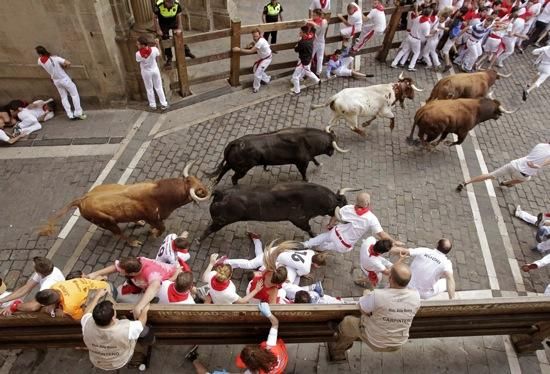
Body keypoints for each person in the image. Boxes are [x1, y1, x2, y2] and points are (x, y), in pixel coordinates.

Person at [327, 261, 421, 360]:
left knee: (348, 322)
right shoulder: (416, 297)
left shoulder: (378, 295)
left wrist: (367, 295)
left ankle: (339, 340)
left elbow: (362, 309)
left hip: (376, 341)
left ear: (390, 278)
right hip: (398, 343)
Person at [186, 303, 287, 374]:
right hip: (280, 365)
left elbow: (275, 324)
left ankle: (193, 359)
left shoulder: (270, 346)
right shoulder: (272, 348)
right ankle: (193, 359)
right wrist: (268, 314)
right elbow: (275, 323)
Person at [303, 192, 402, 253]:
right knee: (327, 246)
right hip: (344, 245)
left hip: (335, 233)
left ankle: (306, 244)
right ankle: (320, 249)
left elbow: (335, 216)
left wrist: (330, 225)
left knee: (324, 236)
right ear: (367, 204)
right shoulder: (371, 218)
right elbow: (382, 234)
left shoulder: (348, 208)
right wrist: (394, 242)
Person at [86, 256, 178, 318]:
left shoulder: (151, 273)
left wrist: (139, 306)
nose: (119, 272)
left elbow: (156, 285)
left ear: (132, 273)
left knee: (123, 299)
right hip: (144, 286)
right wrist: (95, 273)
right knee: (120, 293)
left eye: (122, 272)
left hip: (162, 289)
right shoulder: (136, 262)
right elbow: (115, 267)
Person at [81, 289, 150, 370]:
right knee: (143, 332)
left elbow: (86, 313)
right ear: (113, 317)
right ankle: (139, 355)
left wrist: (97, 296)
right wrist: (145, 310)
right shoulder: (126, 328)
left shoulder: (86, 323)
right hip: (120, 361)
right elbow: (141, 324)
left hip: (97, 361)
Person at [456, 142, 550, 191]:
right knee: (526, 179)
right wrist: (536, 166)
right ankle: (505, 183)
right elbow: (544, 163)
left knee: (490, 175)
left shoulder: (540, 145)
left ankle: (466, 182)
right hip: (522, 174)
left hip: (513, 165)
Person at [8, 278, 111, 320]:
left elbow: (82, 318)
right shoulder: (56, 286)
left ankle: (16, 305)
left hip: (106, 294)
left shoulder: (69, 306)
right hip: (102, 284)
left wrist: (63, 315)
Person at [392, 239, 456, 299]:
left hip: (408, 285)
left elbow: (403, 251)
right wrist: (453, 301)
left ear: (437, 244)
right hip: (423, 294)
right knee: (446, 281)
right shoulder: (446, 263)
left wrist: (388, 248)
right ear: (447, 252)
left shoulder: (424, 250)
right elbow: (450, 278)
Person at [35, 46, 86, 120]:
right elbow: (68, 63)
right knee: (74, 94)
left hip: (56, 81)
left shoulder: (39, 60)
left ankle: (69, 114)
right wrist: (64, 66)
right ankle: (78, 113)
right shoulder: (55, 58)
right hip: (64, 79)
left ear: (39, 54)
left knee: (63, 97)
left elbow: (42, 62)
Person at [0, 256, 65, 315]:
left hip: (55, 304)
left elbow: (33, 306)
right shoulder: (47, 271)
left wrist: (13, 306)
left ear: (38, 271)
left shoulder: (47, 285)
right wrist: (3, 300)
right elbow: (26, 287)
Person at [153, 0, 195, 69]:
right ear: (165, 2)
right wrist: (158, 29)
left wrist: (179, 28)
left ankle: (187, 52)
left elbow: (179, 17)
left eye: (172, 2)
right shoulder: (158, 4)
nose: (172, 4)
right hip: (163, 23)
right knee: (166, 39)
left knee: (179, 35)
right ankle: (169, 58)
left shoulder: (176, 3)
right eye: (170, 3)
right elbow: (155, 17)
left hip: (173, 21)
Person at [233, 28, 272, 93]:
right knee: (255, 69)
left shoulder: (260, 41)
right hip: (262, 58)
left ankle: (256, 87)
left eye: (256, 36)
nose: (255, 38)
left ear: (259, 35)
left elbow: (251, 51)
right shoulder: (258, 39)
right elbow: (254, 42)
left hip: (266, 59)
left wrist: (239, 49)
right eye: (254, 36)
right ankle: (267, 79)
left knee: (257, 74)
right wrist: (251, 44)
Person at [135, 35, 168, 111]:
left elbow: (139, 60)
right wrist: (157, 44)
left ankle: (153, 105)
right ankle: (164, 103)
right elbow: (159, 53)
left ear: (143, 45)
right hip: (155, 70)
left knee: (149, 88)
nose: (137, 45)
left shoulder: (138, 54)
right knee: (159, 87)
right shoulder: (154, 49)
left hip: (146, 71)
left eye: (138, 44)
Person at [290, 25, 320, 96]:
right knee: (307, 71)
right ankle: (318, 80)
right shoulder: (311, 37)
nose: (299, 33)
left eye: (301, 32)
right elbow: (313, 30)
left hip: (303, 61)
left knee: (295, 76)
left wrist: (298, 41)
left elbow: (296, 49)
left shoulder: (302, 42)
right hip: (308, 59)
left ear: (304, 33)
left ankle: (297, 91)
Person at [307, 8, 329, 76]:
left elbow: (318, 31)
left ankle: (308, 71)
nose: (313, 16)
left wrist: (313, 23)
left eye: (314, 15)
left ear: (319, 16)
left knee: (311, 56)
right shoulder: (324, 21)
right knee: (320, 56)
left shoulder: (320, 22)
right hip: (321, 41)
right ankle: (318, 72)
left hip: (316, 41)